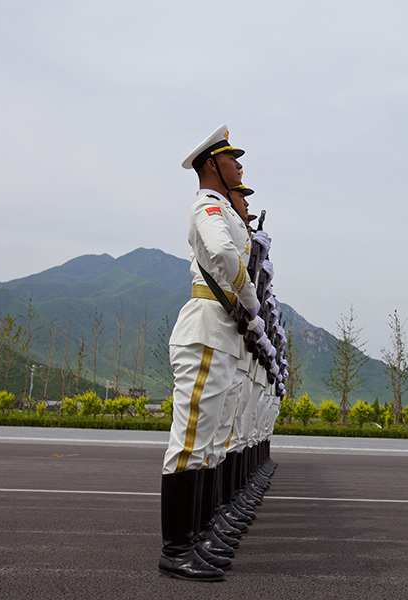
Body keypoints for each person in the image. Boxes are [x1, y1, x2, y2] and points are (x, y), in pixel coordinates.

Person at [159, 125, 266, 582]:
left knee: (210, 443)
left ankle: (198, 537)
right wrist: (250, 299)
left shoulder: (224, 207)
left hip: (221, 335)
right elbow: (221, 252)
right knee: (190, 443)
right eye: (232, 160)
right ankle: (177, 549)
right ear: (211, 165)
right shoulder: (207, 205)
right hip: (206, 329)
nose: (239, 166)